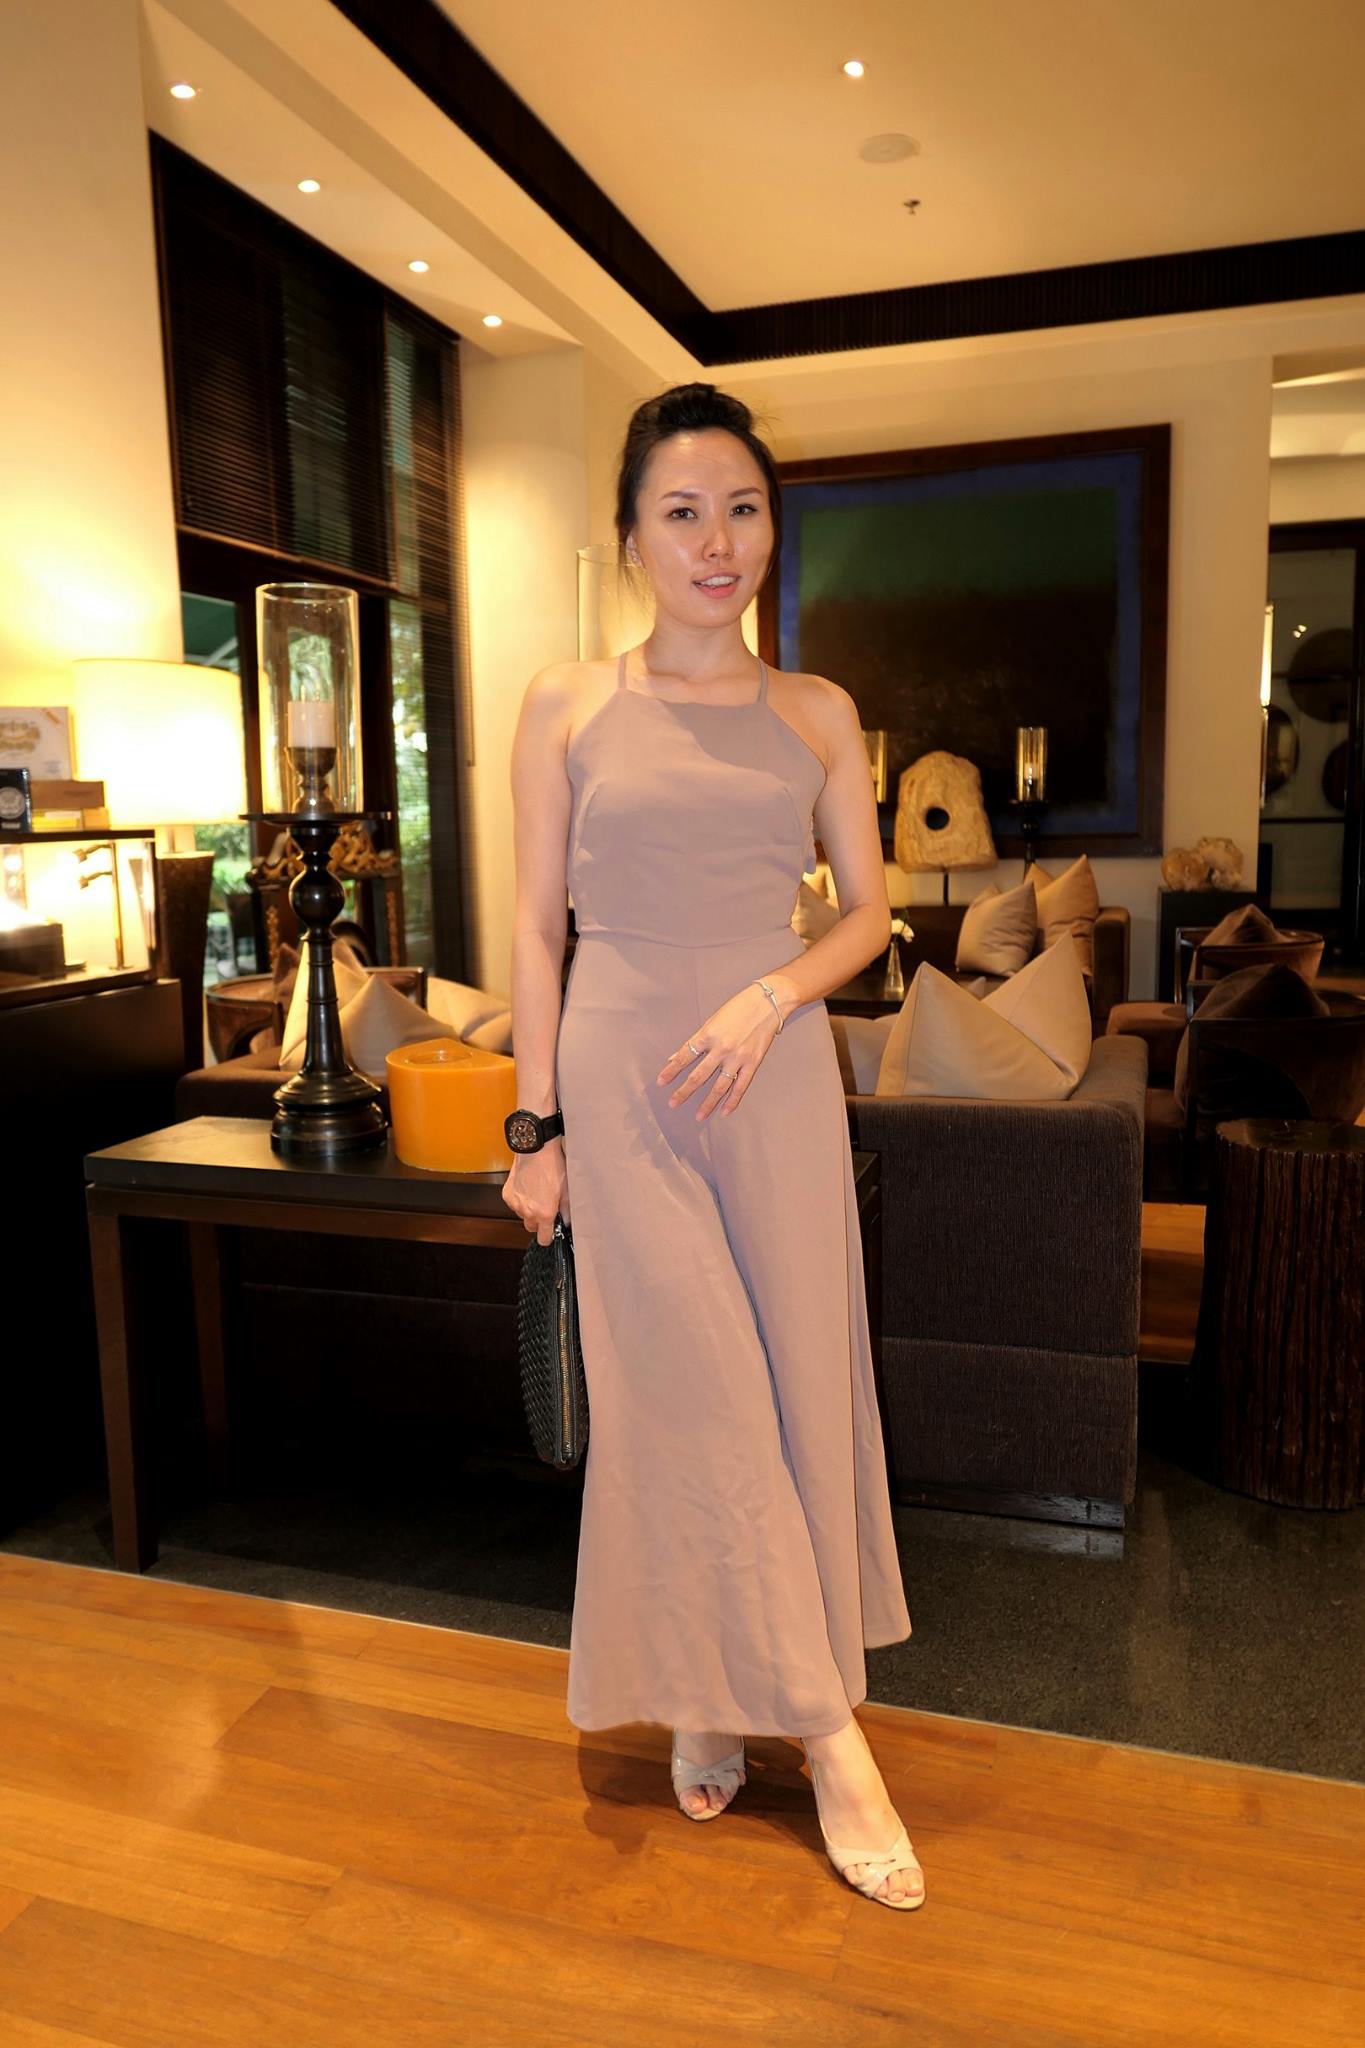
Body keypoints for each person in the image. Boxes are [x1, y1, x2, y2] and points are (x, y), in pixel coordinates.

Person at [502, 382, 923, 1910]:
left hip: (772, 1078)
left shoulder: (817, 712)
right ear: (630, 537)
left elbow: (870, 914)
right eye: (681, 512)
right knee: (693, 1400)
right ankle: (827, 1733)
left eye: (741, 509)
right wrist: (534, 1127)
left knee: (793, 1386)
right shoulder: (563, 700)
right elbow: (535, 932)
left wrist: (773, 990)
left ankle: (708, 1688)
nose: (716, 540)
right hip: (620, 1085)